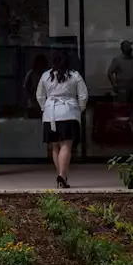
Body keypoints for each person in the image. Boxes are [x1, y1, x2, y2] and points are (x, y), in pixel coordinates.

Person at [37, 50, 89, 188]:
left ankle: (61, 175)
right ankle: (62, 175)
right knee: (66, 145)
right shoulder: (74, 75)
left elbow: (40, 95)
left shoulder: (45, 76)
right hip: (68, 113)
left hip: (50, 115)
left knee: (55, 146)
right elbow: (83, 95)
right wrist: (79, 109)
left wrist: (45, 108)